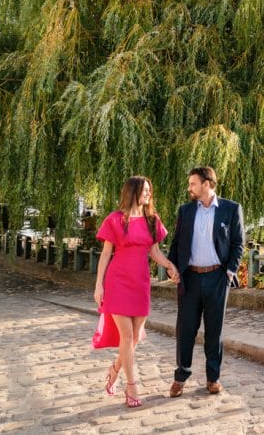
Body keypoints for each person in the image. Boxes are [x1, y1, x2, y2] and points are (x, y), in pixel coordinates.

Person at [92, 176, 178, 408]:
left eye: (150, 190)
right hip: (118, 281)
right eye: (144, 190)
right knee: (127, 336)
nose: (148, 194)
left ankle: (115, 369)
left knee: (136, 336)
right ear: (133, 192)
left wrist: (169, 265)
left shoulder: (152, 220)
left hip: (141, 283)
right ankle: (131, 386)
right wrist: (99, 284)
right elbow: (105, 254)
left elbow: (155, 252)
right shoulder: (115, 219)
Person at [166, 166, 244, 397]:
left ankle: (213, 378)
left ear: (206, 184)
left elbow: (238, 243)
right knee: (185, 329)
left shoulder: (231, 209)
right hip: (189, 278)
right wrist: (172, 268)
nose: (189, 188)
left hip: (217, 278)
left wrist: (229, 272)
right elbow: (177, 243)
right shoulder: (186, 211)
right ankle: (181, 376)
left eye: (193, 183)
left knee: (214, 331)